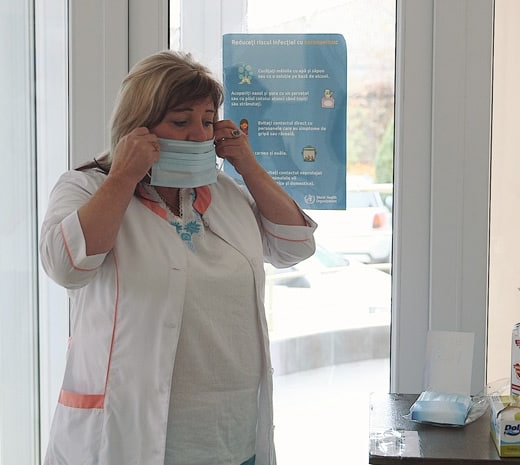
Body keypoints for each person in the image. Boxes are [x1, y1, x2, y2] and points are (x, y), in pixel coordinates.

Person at [39, 50, 316, 465]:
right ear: (138, 126)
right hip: (129, 431)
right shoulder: (86, 187)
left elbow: (295, 245)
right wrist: (124, 175)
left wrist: (247, 164)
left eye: (207, 121)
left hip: (229, 430)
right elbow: (65, 266)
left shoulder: (224, 193)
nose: (199, 136)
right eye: (181, 122)